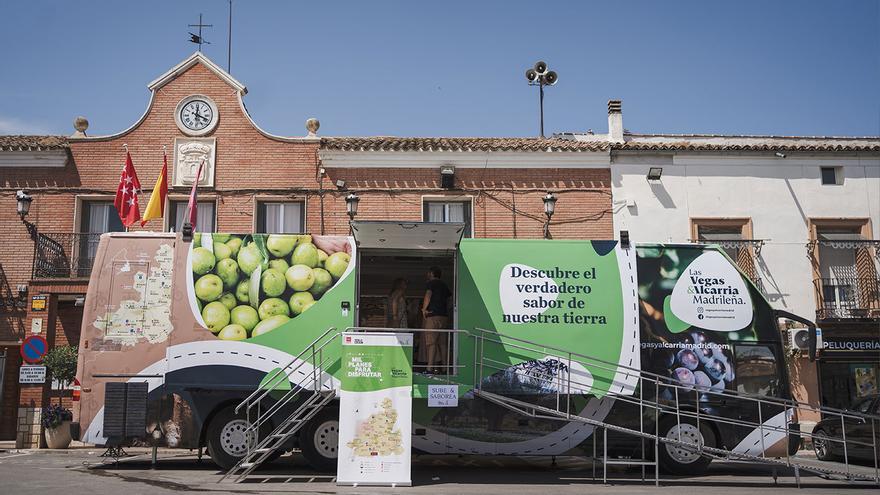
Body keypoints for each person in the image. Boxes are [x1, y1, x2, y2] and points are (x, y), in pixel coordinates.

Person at [422, 266, 451, 374]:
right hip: (444, 317)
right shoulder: (444, 285)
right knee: (443, 344)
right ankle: (445, 368)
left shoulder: (431, 283)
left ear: (432, 273)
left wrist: (424, 309)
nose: (427, 274)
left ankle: (429, 368)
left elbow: (428, 295)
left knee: (431, 343)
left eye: (428, 273)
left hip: (433, 316)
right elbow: (450, 299)